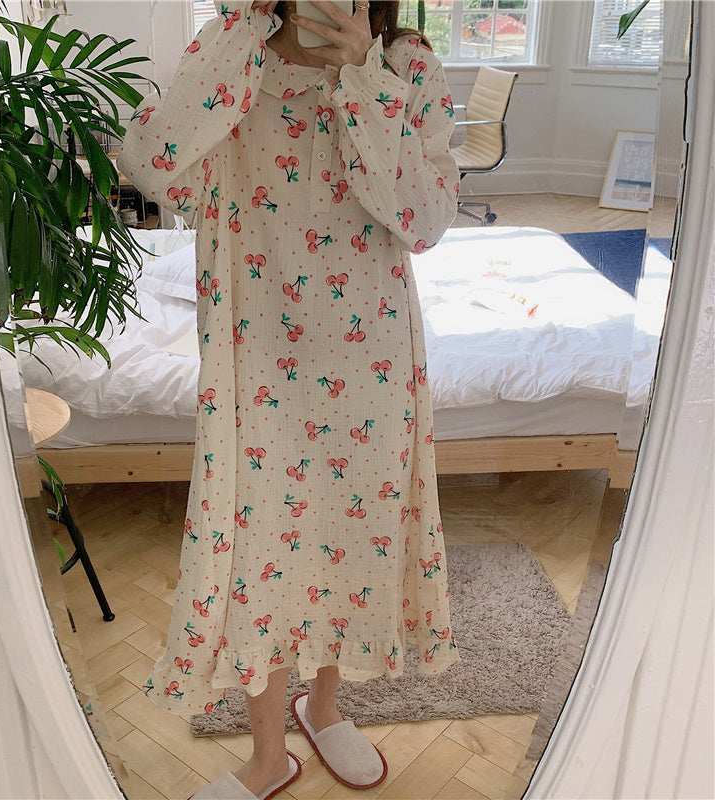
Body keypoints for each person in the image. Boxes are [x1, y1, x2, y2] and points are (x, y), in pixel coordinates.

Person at [118, 2, 460, 797]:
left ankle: (326, 708)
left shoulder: (407, 66)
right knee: (260, 552)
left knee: (350, 536)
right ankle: (268, 754)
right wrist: (242, 28)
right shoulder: (236, 54)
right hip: (258, 359)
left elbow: (424, 220)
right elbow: (155, 167)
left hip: (370, 363)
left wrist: (363, 77)